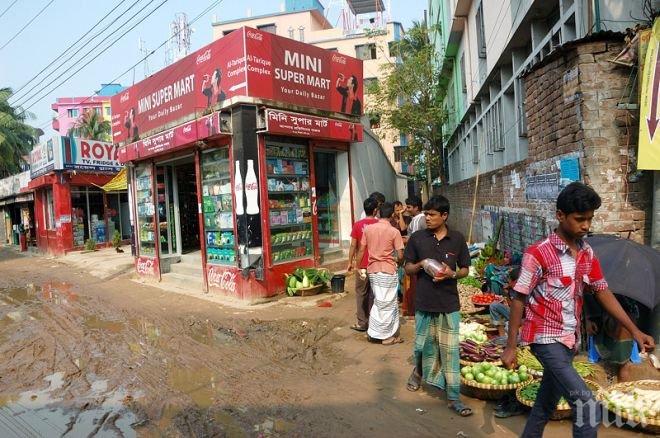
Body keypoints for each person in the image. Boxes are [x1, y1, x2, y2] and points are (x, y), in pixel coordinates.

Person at [501, 182, 655, 438]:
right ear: (560, 215)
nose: (586, 225)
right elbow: (519, 297)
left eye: (590, 219)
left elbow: (602, 291)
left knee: (545, 405)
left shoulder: (586, 252)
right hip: (544, 339)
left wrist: (635, 331)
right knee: (588, 407)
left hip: (570, 339)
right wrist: (511, 345)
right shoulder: (538, 254)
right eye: (579, 219)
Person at [404, 195, 473, 417]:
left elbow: (465, 269)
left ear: (444, 216)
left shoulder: (457, 239)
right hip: (424, 302)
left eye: (432, 214)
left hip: (449, 304)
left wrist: (451, 273)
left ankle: (454, 397)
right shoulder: (417, 238)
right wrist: (422, 264)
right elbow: (407, 268)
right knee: (422, 346)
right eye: (426, 214)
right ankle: (418, 372)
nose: (428, 218)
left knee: (450, 352)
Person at [355, 202, 404, 345]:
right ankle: (385, 336)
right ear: (392, 215)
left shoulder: (368, 229)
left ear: (378, 213)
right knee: (387, 304)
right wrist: (397, 261)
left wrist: (359, 267)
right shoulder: (394, 231)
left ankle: (375, 332)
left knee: (379, 301)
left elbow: (361, 250)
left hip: (372, 270)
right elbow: (400, 255)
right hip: (387, 270)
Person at [346, 197, 380, 332]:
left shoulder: (358, 225)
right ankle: (373, 321)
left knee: (361, 293)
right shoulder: (380, 224)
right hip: (376, 264)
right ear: (376, 210)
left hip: (362, 266)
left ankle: (362, 322)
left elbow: (353, 245)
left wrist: (350, 262)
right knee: (374, 293)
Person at [403, 195, 425, 316]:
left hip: (418, 257)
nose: (407, 209)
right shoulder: (414, 219)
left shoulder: (421, 219)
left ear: (416, 207)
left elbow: (418, 238)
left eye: (409, 207)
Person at [489, 267, 520, 337]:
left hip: (522, 317)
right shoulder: (511, 289)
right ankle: (502, 335)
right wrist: (506, 293)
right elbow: (511, 305)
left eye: (510, 280)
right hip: (514, 313)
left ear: (515, 281)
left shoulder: (523, 291)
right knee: (494, 305)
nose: (508, 282)